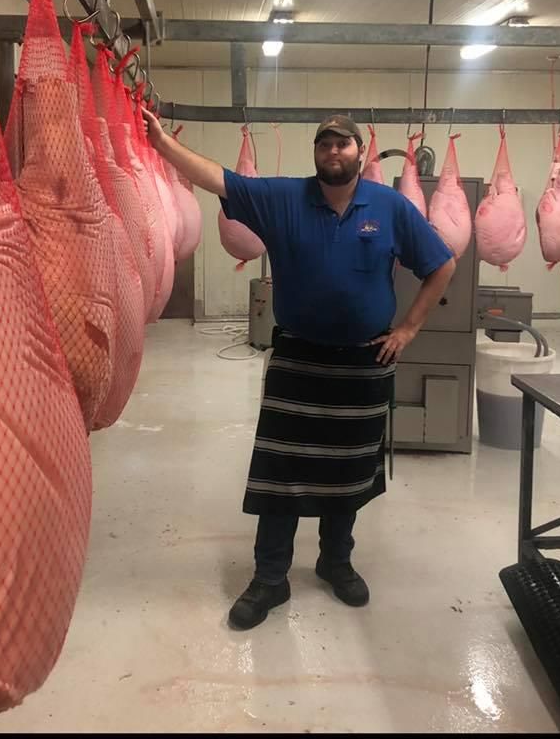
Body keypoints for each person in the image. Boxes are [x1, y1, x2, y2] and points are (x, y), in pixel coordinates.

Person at [141, 109, 456, 630]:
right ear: (316, 153)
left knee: (349, 474)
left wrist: (408, 330)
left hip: (363, 360)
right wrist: (162, 145)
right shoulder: (284, 198)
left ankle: (337, 562)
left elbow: (440, 263)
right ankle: (270, 577)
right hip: (299, 357)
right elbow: (219, 178)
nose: (334, 152)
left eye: (343, 145)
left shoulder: (391, 206)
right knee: (280, 474)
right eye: (325, 145)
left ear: (360, 152)